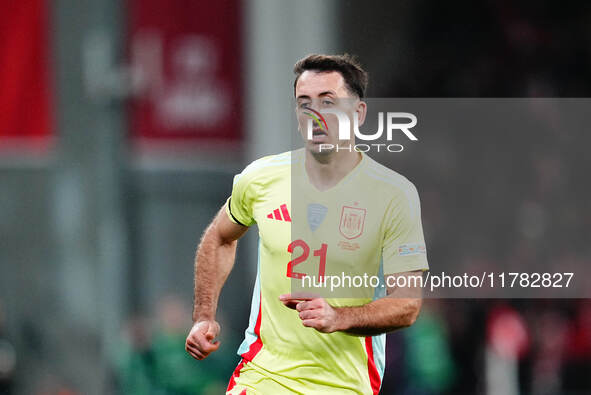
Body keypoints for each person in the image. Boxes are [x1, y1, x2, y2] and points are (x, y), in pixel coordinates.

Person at [185, 54, 429, 394]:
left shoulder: (394, 195)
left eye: (328, 102)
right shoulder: (261, 178)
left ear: (358, 114)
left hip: (344, 385)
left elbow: (407, 304)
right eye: (305, 103)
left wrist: (339, 318)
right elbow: (220, 238)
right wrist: (203, 316)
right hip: (262, 375)